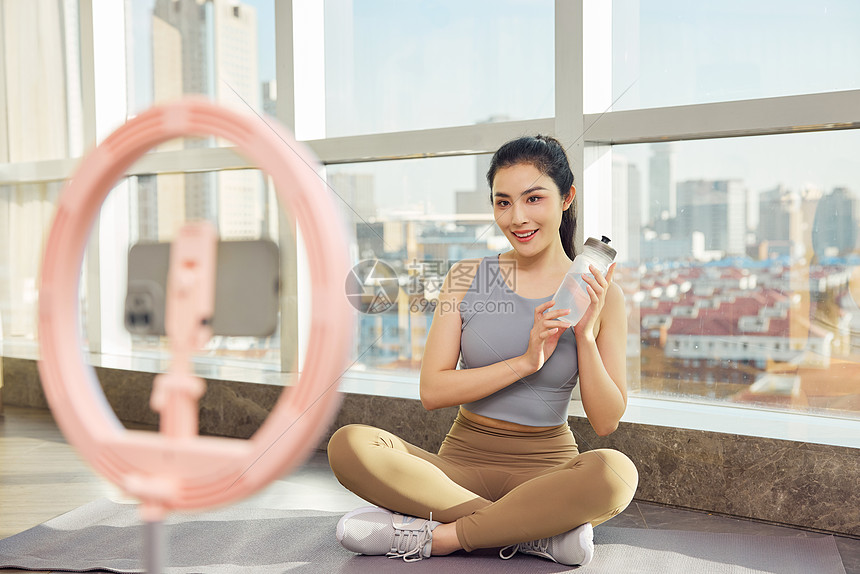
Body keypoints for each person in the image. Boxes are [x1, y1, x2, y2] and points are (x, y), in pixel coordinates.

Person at [327, 135, 638, 565]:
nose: (518, 217)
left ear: (566, 198)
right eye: (503, 202)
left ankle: (440, 537)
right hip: (457, 471)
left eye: (534, 198)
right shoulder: (465, 277)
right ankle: (533, 533)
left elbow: (605, 422)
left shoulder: (603, 296)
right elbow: (432, 391)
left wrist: (584, 336)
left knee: (616, 472)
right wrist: (526, 362)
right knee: (349, 444)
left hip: (547, 472)